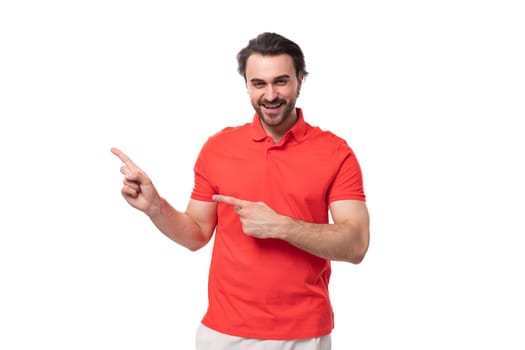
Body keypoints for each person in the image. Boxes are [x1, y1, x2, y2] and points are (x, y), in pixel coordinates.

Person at [111, 32, 370, 350]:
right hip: (225, 334)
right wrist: (156, 207)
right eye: (258, 84)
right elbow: (196, 235)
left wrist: (280, 226)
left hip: (304, 335)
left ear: (300, 81)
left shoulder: (335, 152)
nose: (270, 94)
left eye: (281, 82)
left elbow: (356, 245)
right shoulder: (218, 148)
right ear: (247, 85)